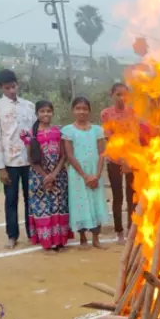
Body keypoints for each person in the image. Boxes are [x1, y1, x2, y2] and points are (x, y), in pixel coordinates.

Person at [0, 69, 36, 249]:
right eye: (7, 88)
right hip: (10, 162)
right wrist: (1, 167)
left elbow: (35, 134)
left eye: (14, 86)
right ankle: (12, 235)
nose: (12, 91)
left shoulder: (29, 106)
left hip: (29, 161)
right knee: (11, 199)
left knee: (31, 198)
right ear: (0, 87)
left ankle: (33, 232)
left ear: (18, 84)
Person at [19, 101, 71, 252]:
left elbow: (63, 156)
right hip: (38, 178)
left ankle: (59, 240)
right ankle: (47, 241)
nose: (46, 114)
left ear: (52, 113)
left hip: (59, 176)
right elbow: (30, 159)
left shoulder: (59, 132)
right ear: (36, 114)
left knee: (58, 206)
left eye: (48, 111)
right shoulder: (29, 134)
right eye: (42, 111)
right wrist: (45, 176)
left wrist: (54, 174)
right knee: (44, 208)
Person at [61, 97, 109, 249]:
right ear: (73, 111)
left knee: (96, 203)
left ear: (89, 111)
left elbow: (102, 153)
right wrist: (84, 176)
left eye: (84, 108)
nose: (81, 111)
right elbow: (70, 155)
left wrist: (97, 175)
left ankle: (96, 239)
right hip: (78, 174)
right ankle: (82, 238)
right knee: (79, 204)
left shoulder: (97, 130)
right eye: (78, 108)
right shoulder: (68, 131)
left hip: (95, 172)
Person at [101, 83, 139, 245]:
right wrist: (121, 157)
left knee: (132, 195)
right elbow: (109, 137)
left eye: (124, 94)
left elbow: (135, 136)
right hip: (114, 159)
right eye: (118, 94)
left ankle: (132, 228)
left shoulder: (132, 113)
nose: (121, 98)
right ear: (112, 94)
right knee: (118, 196)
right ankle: (119, 232)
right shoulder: (106, 113)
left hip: (131, 160)